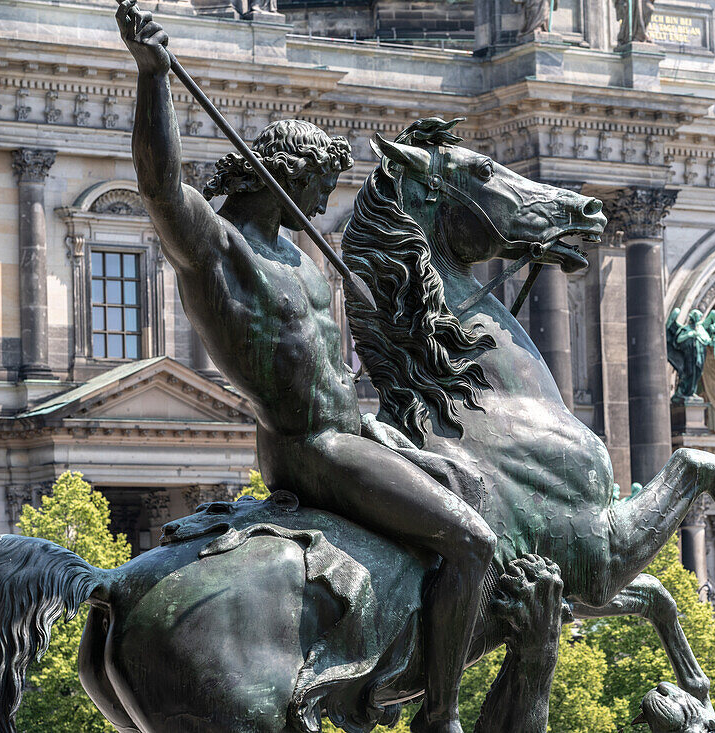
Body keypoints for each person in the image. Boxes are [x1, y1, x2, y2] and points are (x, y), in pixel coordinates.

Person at [116, 4, 495, 731]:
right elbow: (161, 187)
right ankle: (442, 715)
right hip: (309, 447)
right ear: (284, 173)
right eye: (321, 182)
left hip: (349, 431)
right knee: (470, 541)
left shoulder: (301, 257)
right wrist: (154, 78)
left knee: (474, 484)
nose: (324, 202)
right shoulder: (221, 248)